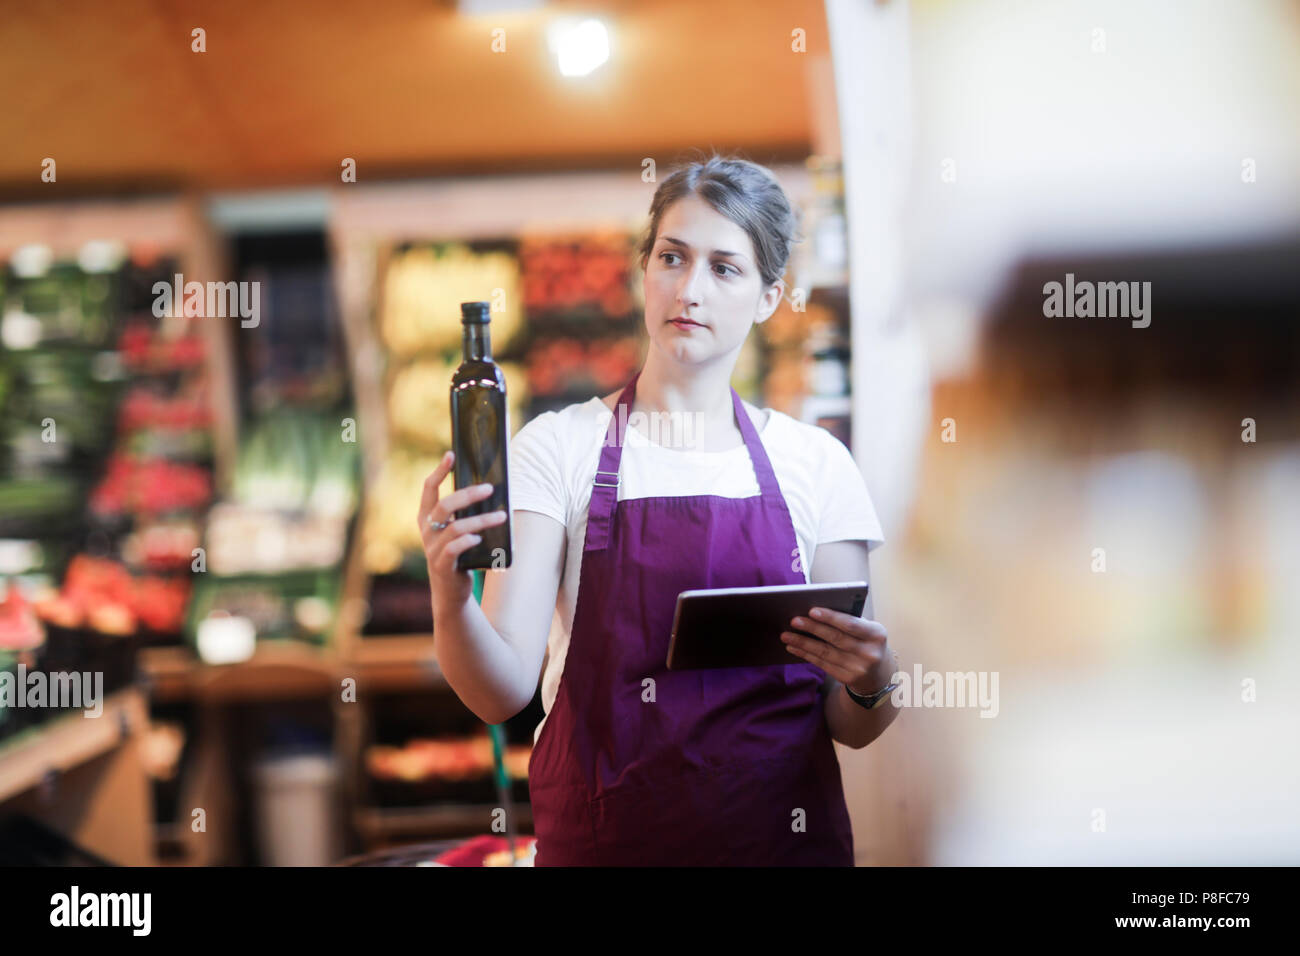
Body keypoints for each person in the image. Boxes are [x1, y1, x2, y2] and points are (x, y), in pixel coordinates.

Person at [419, 153, 899, 866]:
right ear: (644, 268)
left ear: (770, 297)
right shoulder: (558, 449)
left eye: (725, 268)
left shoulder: (816, 465)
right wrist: (450, 595)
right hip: (605, 844)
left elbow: (851, 724)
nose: (690, 289)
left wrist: (873, 679)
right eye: (672, 257)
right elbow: (501, 692)